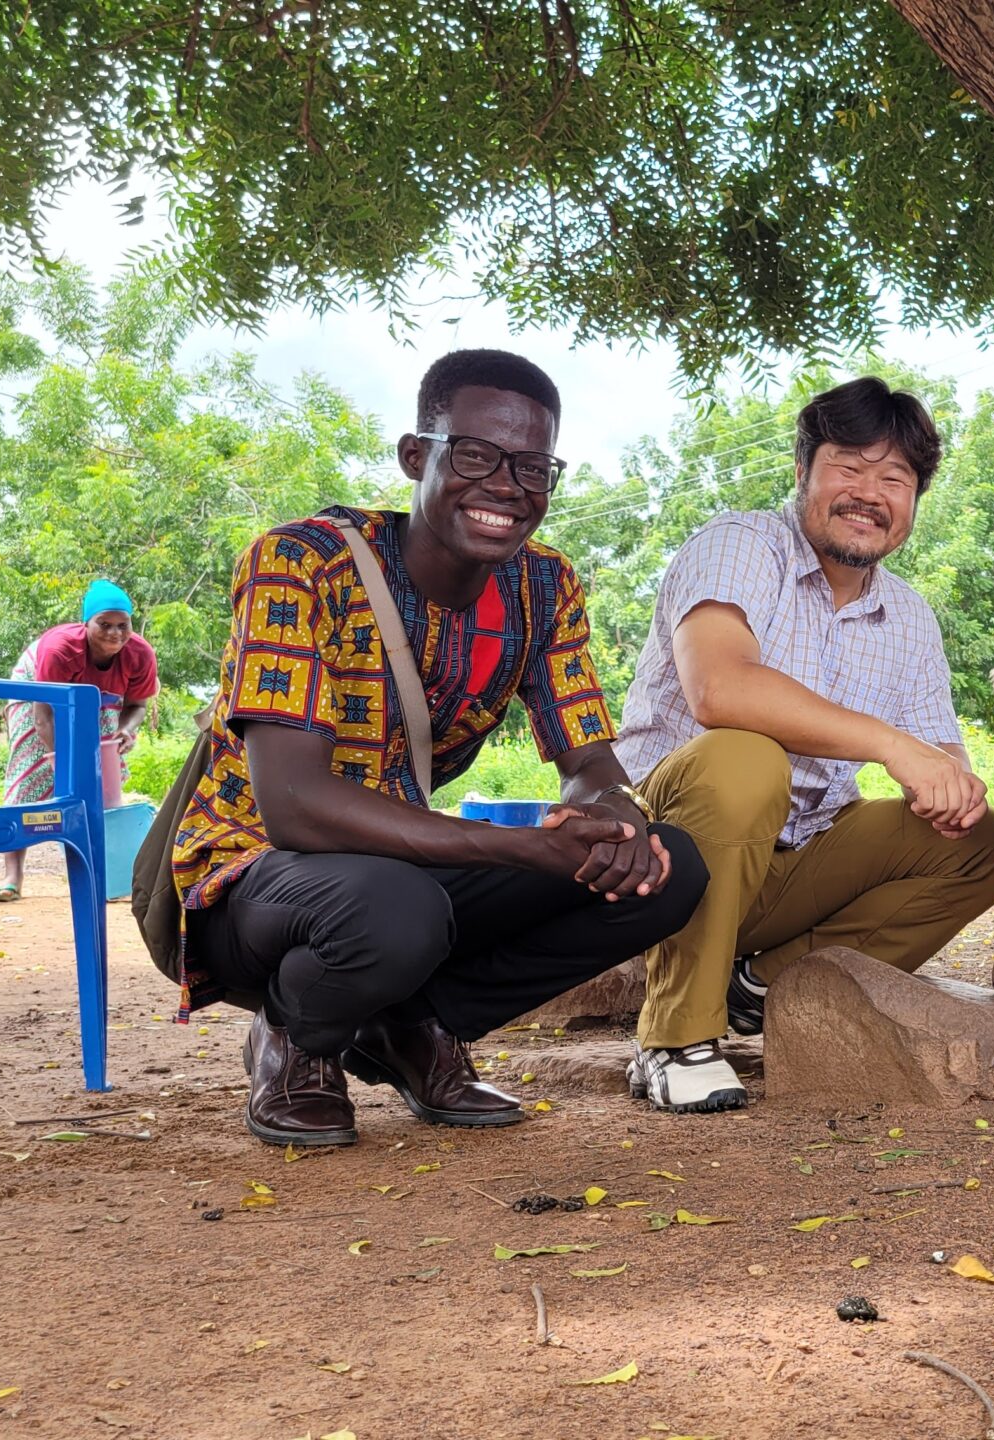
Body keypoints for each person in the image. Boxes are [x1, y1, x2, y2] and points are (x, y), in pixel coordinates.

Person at [168, 349, 707, 1148]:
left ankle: (413, 1028)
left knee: (668, 866)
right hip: (253, 875)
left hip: (397, 864)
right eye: (477, 456)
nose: (506, 487)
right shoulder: (299, 563)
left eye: (532, 466)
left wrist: (614, 822)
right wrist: (523, 849)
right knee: (395, 908)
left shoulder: (543, 586)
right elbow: (294, 809)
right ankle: (295, 1038)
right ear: (416, 456)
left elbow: (587, 761)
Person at [613, 376, 994, 1114]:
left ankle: (762, 985)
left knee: (980, 842)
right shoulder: (740, 545)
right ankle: (674, 1040)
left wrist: (956, 784)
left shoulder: (909, 616)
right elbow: (720, 691)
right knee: (746, 757)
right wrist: (892, 748)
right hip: (662, 859)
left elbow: (941, 753)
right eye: (848, 467)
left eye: (894, 478)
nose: (869, 492)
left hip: (796, 862)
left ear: (914, 501)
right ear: (802, 471)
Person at [0, 580, 158, 902]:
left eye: (123, 625)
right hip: (37, 692)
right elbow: (44, 717)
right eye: (104, 624)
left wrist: (125, 731)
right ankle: (12, 877)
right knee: (30, 768)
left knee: (102, 777)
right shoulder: (60, 649)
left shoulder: (139, 654)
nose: (114, 634)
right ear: (86, 623)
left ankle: (103, 876)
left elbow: (137, 706)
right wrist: (60, 761)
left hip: (99, 697)